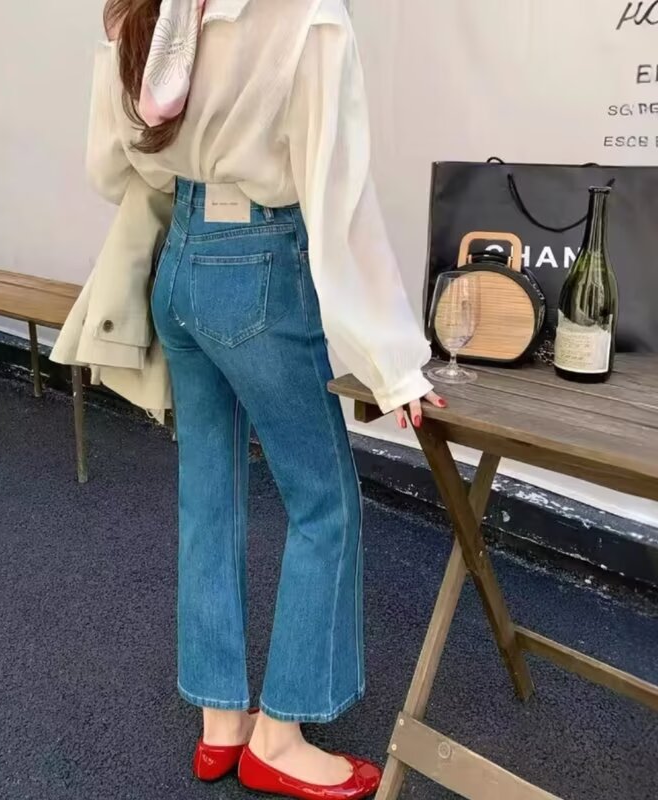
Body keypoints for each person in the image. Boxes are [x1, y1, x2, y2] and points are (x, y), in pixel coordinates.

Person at [63, 1, 445, 797]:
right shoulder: (306, 13)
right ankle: (280, 735)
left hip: (182, 258)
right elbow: (337, 193)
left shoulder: (142, 10)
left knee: (208, 495)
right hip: (261, 266)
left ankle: (220, 721)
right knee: (324, 504)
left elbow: (111, 168)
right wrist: (394, 362)